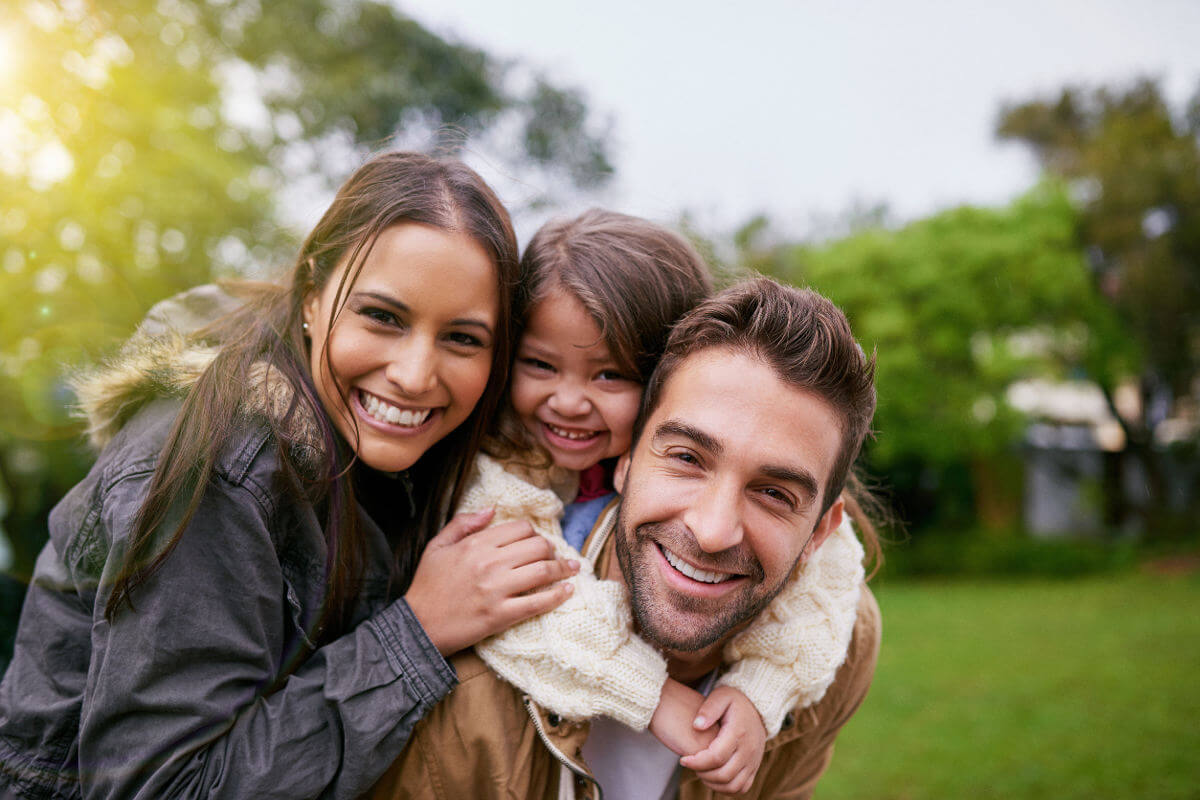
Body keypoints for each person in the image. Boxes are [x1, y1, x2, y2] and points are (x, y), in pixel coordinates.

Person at [0, 151, 579, 799]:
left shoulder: (399, 456)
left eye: (463, 339)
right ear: (311, 298)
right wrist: (416, 636)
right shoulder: (218, 466)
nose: (416, 375)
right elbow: (158, 787)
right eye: (383, 317)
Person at [371, 276, 882, 800]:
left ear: (822, 530)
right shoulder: (474, 655)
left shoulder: (840, 645)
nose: (711, 532)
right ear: (626, 462)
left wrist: (764, 691)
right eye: (686, 458)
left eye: (774, 493)